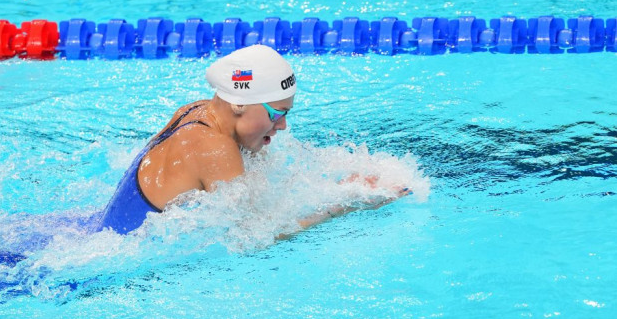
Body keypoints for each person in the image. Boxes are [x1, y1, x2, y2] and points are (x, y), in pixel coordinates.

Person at [96, 44, 407, 234]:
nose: (282, 125)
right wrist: (346, 204)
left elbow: (263, 191)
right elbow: (255, 237)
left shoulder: (197, 111)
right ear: (239, 104)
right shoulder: (214, 148)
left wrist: (336, 185)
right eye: (275, 114)